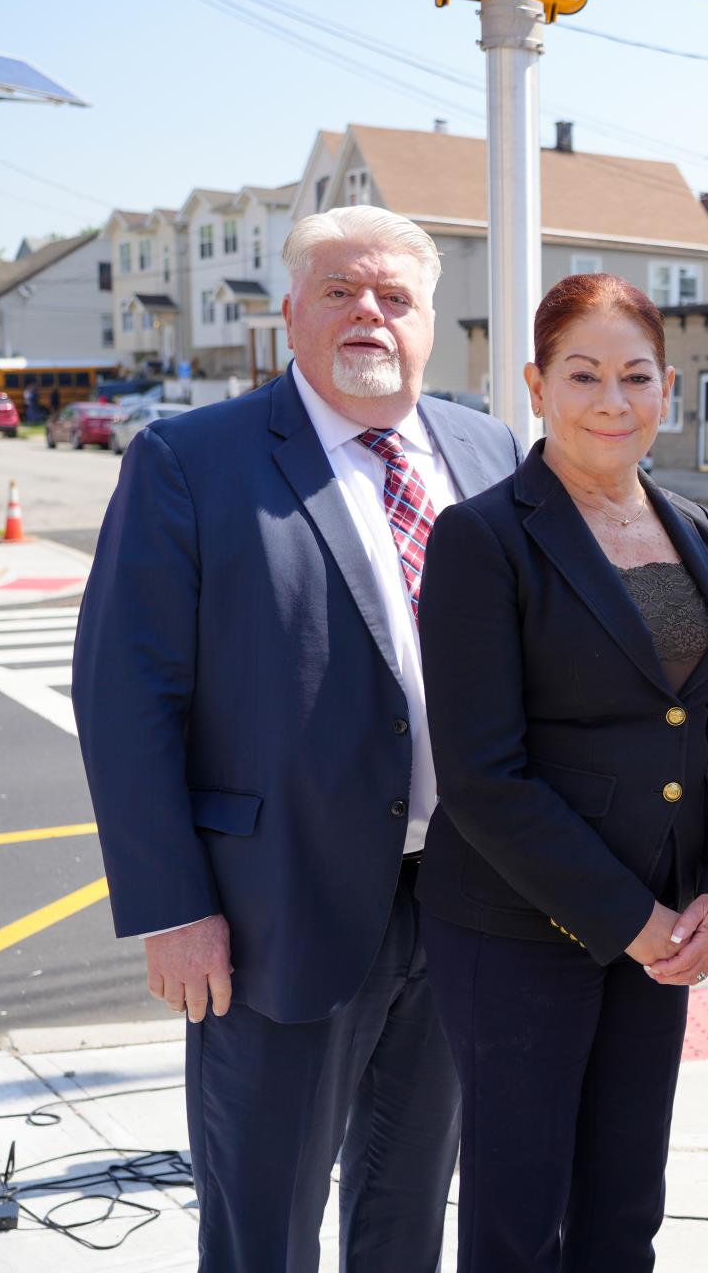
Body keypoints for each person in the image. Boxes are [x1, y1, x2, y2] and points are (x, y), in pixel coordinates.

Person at [70, 204, 520, 1270]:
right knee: (263, 1227)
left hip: (462, 906)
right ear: (289, 314)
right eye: (339, 291)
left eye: (395, 297)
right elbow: (124, 696)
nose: (370, 313)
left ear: (432, 323)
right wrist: (174, 907)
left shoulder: (485, 446)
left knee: (409, 1213)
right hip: (272, 914)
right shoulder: (190, 460)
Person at [415, 272, 708, 1271]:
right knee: (518, 1222)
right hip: (518, 930)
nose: (613, 401)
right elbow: (482, 775)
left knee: (623, 1209)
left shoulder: (692, 528)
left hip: (665, 925)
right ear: (535, 382)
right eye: (584, 374)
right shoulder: (483, 538)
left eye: (636, 375)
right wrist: (634, 920)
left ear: (666, 385)